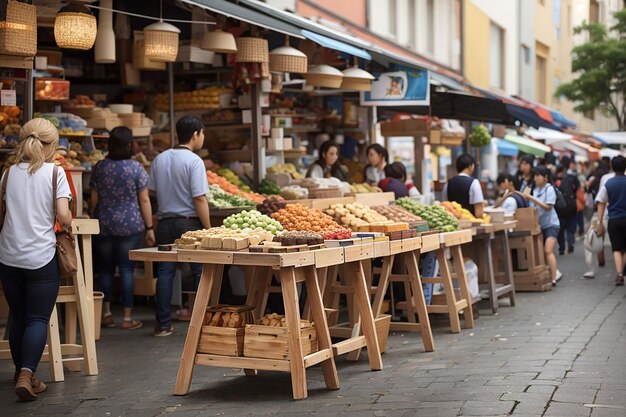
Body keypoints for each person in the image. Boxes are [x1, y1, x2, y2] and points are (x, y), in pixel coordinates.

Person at [0, 118, 73, 401]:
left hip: (8, 254)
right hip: (41, 256)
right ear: (52, 145)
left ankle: (23, 373)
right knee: (38, 318)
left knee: (17, 316)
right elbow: (63, 215)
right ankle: (27, 373)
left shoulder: (6, 175)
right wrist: (68, 223)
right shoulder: (55, 174)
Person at [149, 116, 210, 337]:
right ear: (195, 134)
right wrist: (209, 228)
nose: (203, 138)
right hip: (190, 223)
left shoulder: (160, 159)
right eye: (202, 134)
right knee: (199, 272)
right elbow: (200, 199)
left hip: (165, 223)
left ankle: (162, 325)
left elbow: (153, 192)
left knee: (165, 273)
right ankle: (201, 323)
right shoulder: (194, 161)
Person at [90, 127, 155, 331]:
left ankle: (107, 314)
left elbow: (94, 199)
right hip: (130, 224)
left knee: (106, 269)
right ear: (129, 144)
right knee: (127, 269)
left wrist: (95, 215)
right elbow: (144, 199)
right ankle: (127, 318)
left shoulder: (100, 167)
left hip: (104, 224)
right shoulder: (135, 168)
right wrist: (150, 227)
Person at [516, 166, 562, 285]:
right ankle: (547, 275)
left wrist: (531, 197)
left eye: (538, 175)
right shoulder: (533, 189)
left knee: (548, 250)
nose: (536, 178)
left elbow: (548, 207)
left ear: (545, 178)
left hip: (552, 224)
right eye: (534, 175)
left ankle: (553, 278)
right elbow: (523, 199)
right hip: (538, 226)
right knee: (540, 252)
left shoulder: (549, 189)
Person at [596, 155, 626, 286]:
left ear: (612, 167)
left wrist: (600, 222)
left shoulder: (608, 184)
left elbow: (601, 202)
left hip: (613, 220)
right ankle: (622, 271)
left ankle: (619, 274)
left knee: (616, 249)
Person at [442, 153, 484, 218]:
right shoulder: (474, 182)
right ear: (470, 166)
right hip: (471, 223)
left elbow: (444, 205)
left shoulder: (447, 184)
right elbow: (479, 213)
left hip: (453, 223)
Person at [555, 158, 579, 255]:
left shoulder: (555, 181)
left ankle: (561, 248)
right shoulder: (572, 178)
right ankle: (570, 245)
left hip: (560, 209)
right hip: (571, 207)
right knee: (570, 228)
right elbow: (577, 189)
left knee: (561, 229)